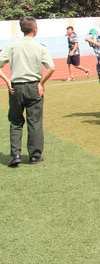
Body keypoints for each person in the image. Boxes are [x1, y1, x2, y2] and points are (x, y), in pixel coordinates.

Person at [0, 16, 55, 166]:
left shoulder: (12, 47)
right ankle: (35, 155)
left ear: (21, 29)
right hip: (34, 87)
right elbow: (51, 68)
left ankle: (15, 154)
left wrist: (7, 81)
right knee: (34, 121)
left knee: (16, 121)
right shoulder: (40, 47)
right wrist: (41, 83)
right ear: (35, 30)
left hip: (16, 87)